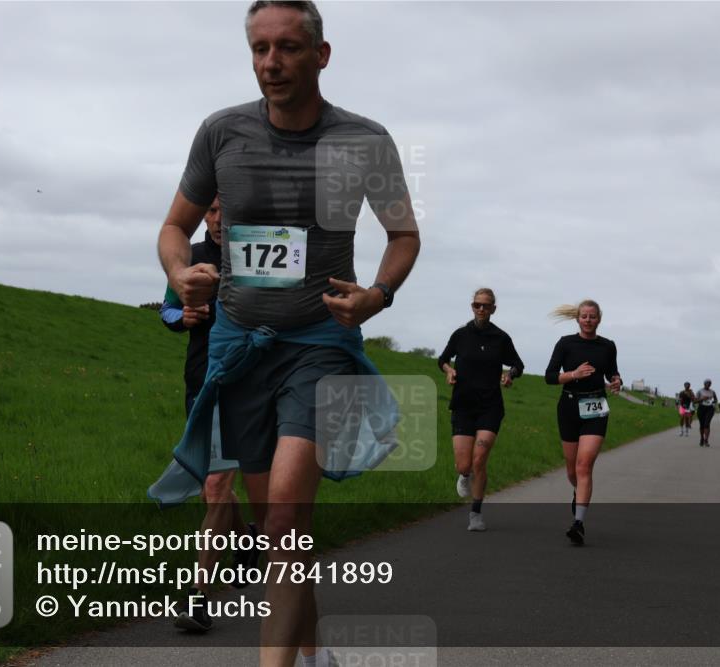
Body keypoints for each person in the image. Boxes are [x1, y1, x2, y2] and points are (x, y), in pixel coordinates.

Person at [153, 2, 420, 664]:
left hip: (319, 342)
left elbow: (404, 235)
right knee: (281, 529)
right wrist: (180, 270)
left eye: (289, 48)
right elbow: (172, 228)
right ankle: (315, 651)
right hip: (238, 345)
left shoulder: (364, 139)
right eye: (260, 49)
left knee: (284, 517)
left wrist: (376, 295)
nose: (272, 62)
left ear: (321, 55)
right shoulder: (221, 133)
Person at [160, 198, 260, 633]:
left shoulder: (254, 258)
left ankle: (198, 598)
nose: (219, 218)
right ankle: (247, 540)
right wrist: (182, 316)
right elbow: (166, 307)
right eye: (213, 210)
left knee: (218, 485)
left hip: (247, 385)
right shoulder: (193, 259)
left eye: (228, 210)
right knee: (211, 491)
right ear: (203, 215)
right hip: (200, 381)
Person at [438, 288, 524, 532]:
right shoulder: (460, 335)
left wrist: (510, 375)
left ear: (494, 308)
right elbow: (442, 359)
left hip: (490, 406)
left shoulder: (501, 338)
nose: (481, 309)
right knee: (464, 465)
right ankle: (464, 475)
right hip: (464, 405)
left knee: (479, 460)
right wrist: (449, 371)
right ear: (472, 306)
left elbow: (518, 364)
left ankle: (475, 513)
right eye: (477, 305)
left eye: (486, 306)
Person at [544, 299, 621, 546]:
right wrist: (573, 375)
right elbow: (549, 376)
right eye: (584, 316)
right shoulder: (566, 343)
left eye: (593, 316)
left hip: (596, 407)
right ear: (577, 319)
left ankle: (578, 523)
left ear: (599, 319)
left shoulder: (608, 346)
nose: (588, 320)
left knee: (584, 464)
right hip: (568, 406)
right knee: (572, 469)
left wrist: (617, 381)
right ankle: (579, 493)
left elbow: (613, 373)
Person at [695, 379, 719, 447]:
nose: (708, 384)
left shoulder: (712, 392)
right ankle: (702, 438)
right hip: (701, 408)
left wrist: (713, 402)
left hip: (710, 408)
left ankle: (706, 440)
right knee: (702, 425)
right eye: (707, 383)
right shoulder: (699, 391)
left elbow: (716, 400)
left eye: (709, 383)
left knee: (707, 424)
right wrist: (702, 399)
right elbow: (695, 401)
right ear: (704, 384)